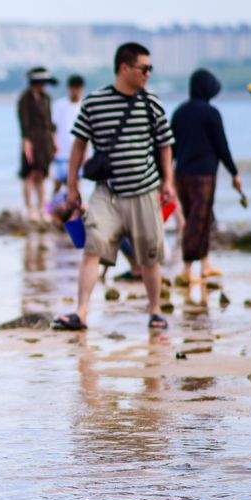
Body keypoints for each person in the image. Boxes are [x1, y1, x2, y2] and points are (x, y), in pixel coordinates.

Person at [54, 42, 176, 332]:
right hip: (106, 192)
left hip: (145, 191)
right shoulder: (95, 102)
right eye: (143, 68)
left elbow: (165, 145)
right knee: (92, 248)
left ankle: (155, 311)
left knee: (149, 254)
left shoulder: (152, 102)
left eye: (150, 69)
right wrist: (72, 187)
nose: (148, 73)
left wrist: (168, 182)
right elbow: (78, 145)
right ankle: (81, 312)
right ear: (124, 68)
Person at [170, 68, 245, 286]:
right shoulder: (211, 113)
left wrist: (166, 176)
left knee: (202, 218)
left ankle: (204, 265)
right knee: (198, 220)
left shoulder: (180, 112)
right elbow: (222, 147)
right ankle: (186, 268)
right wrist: (234, 172)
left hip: (181, 175)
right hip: (203, 176)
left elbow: (170, 148)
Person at [18, 67, 57, 224]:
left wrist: (54, 141)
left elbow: (49, 121)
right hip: (31, 139)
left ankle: (42, 208)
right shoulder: (24, 99)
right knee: (29, 175)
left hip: (45, 140)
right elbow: (23, 123)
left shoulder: (47, 98)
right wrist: (26, 142)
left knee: (42, 174)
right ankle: (29, 209)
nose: (44, 86)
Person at [51, 75, 84, 196]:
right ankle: (51, 209)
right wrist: (54, 144)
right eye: (73, 88)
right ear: (69, 88)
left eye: (78, 88)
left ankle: (75, 212)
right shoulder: (59, 105)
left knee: (76, 185)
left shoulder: (84, 106)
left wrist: (86, 154)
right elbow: (53, 128)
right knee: (57, 183)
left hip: (78, 153)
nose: (75, 91)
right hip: (61, 151)